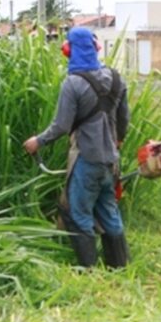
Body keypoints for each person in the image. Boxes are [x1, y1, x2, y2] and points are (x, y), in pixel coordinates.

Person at [23, 27, 131, 269]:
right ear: (95, 49)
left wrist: (38, 141)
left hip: (86, 159)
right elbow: (124, 119)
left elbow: (62, 125)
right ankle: (120, 266)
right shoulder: (116, 78)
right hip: (110, 161)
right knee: (109, 211)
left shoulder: (73, 83)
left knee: (78, 212)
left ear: (69, 51)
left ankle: (88, 270)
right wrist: (117, 140)